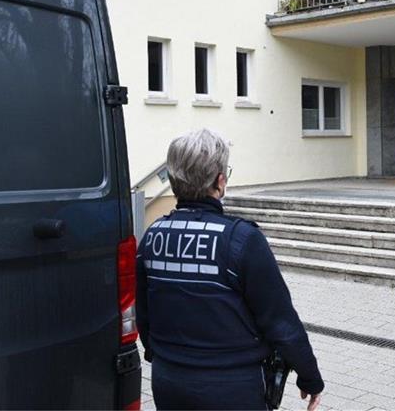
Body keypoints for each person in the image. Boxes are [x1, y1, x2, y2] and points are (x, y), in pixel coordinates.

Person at [136, 129, 324, 411]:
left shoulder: (153, 237)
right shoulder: (241, 240)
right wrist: (310, 378)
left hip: (169, 381)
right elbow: (281, 322)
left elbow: (144, 315)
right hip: (233, 388)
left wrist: (162, 356)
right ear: (220, 181)